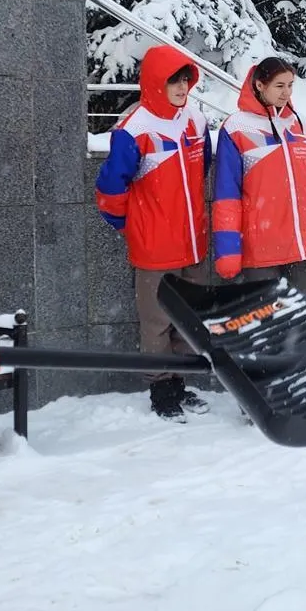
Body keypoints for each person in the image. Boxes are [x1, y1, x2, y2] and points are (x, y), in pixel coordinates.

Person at [95, 44, 213, 419]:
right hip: (154, 246)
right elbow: (111, 188)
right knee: (157, 323)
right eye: (173, 80)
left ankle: (179, 383)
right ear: (154, 82)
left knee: (186, 320)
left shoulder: (195, 120)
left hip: (192, 240)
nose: (181, 87)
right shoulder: (135, 129)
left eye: (185, 80)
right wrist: (132, 226)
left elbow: (203, 167)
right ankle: (161, 389)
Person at [211, 57, 306, 294]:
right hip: (261, 249)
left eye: (290, 85)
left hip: (301, 246)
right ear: (260, 85)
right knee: (266, 325)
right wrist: (228, 250)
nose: (286, 93)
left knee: (302, 323)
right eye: (279, 85)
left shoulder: (300, 125)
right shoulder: (237, 128)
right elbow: (227, 195)